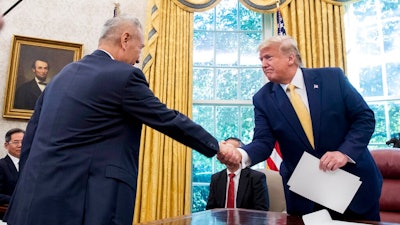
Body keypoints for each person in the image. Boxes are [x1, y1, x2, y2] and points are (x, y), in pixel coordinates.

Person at [4, 15, 219, 225]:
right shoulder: (124, 76)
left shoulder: (61, 76)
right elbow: (166, 118)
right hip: (86, 206)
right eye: (140, 48)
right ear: (125, 39)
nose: (138, 59)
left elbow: (30, 137)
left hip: (33, 203)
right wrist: (217, 147)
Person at [217, 35, 382, 221]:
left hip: (354, 189)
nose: (263, 64)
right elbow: (263, 142)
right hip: (307, 197)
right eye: (261, 60)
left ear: (290, 58)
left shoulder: (332, 78)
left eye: (268, 57)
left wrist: (344, 153)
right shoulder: (262, 98)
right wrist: (240, 154)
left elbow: (364, 118)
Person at [206, 137, 269, 211]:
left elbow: (261, 210)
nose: (228, 155)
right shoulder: (216, 178)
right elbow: (210, 209)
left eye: (232, 151)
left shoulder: (256, 178)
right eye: (225, 151)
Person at [0, 128, 24, 219]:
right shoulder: (1, 166)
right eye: (16, 142)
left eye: (23, 142)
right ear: (6, 145)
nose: (20, 145)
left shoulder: (32, 165)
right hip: (6, 215)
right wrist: (18, 200)